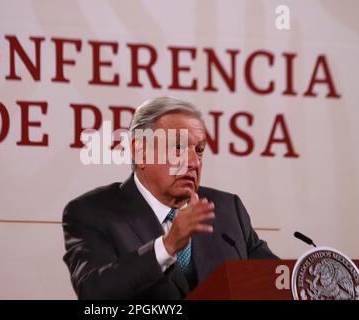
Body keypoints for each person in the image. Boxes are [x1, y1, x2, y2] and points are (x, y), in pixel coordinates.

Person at [62, 96, 278, 299]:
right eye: (178, 147)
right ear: (141, 152)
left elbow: (275, 279)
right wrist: (166, 247)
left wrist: (309, 272)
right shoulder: (91, 212)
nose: (194, 162)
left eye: (200, 150)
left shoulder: (226, 209)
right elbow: (93, 292)